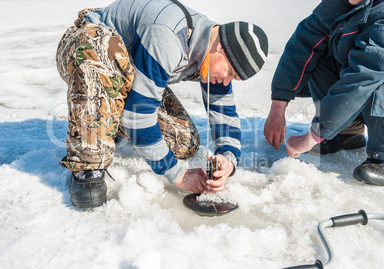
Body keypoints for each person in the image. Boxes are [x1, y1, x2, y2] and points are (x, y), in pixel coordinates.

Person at [56, 0, 268, 208]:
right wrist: (176, 174)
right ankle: (88, 165)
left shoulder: (211, 55)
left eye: (234, 79)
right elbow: (138, 114)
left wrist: (228, 161)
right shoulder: (168, 35)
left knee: (184, 142)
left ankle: (112, 121)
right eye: (230, 72)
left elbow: (224, 111)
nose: (227, 81)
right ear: (221, 47)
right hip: (84, 48)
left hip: (129, 71)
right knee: (101, 43)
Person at [264, 0, 384, 185]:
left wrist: (314, 135)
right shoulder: (340, 4)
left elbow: (362, 78)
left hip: (372, 76)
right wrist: (278, 104)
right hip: (362, 81)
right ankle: (346, 131)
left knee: (375, 78)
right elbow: (303, 44)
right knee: (318, 55)